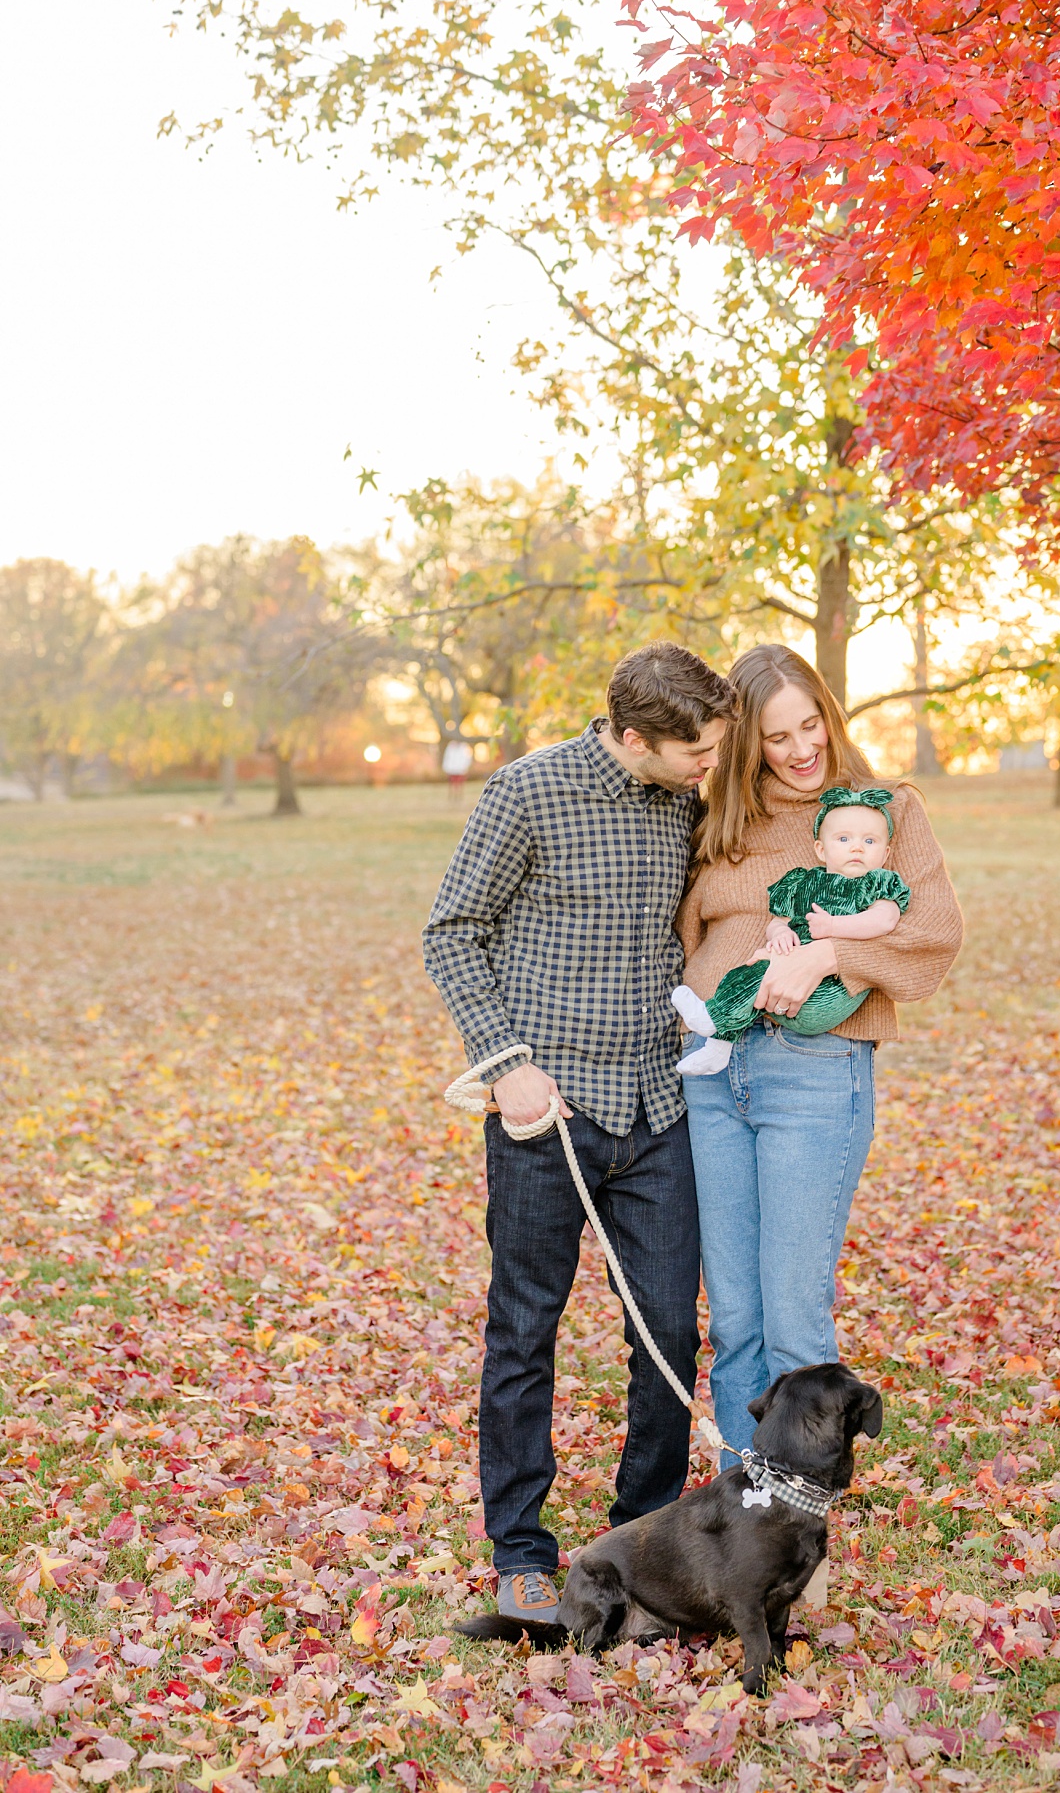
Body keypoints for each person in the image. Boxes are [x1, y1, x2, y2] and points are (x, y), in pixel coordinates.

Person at [422, 641, 735, 1633]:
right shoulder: (526, 792)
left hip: (658, 1109)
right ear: (635, 736)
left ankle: (635, 1541)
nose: (710, 766)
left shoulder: (690, 799)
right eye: (697, 751)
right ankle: (520, 1549)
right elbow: (452, 928)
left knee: (669, 1337)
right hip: (545, 1114)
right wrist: (505, 1060)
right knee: (525, 1330)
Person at [674, 645, 963, 1473]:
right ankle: (741, 1518)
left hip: (813, 1069)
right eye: (775, 737)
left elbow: (932, 933)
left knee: (794, 1315)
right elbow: (687, 934)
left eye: (812, 725)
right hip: (713, 1069)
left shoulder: (883, 812)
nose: (802, 750)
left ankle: (797, 1528)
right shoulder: (720, 819)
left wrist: (825, 955)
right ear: (743, 744)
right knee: (733, 1319)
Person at [671, 787, 911, 1070]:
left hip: (829, 992)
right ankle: (719, 1046)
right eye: (844, 839)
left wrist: (834, 925)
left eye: (869, 841)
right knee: (752, 966)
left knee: (760, 972)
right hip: (777, 991)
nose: (857, 847)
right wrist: (780, 934)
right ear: (820, 849)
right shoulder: (804, 882)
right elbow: (778, 921)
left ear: (885, 854)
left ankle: (711, 1016)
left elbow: (884, 920)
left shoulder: (878, 882)